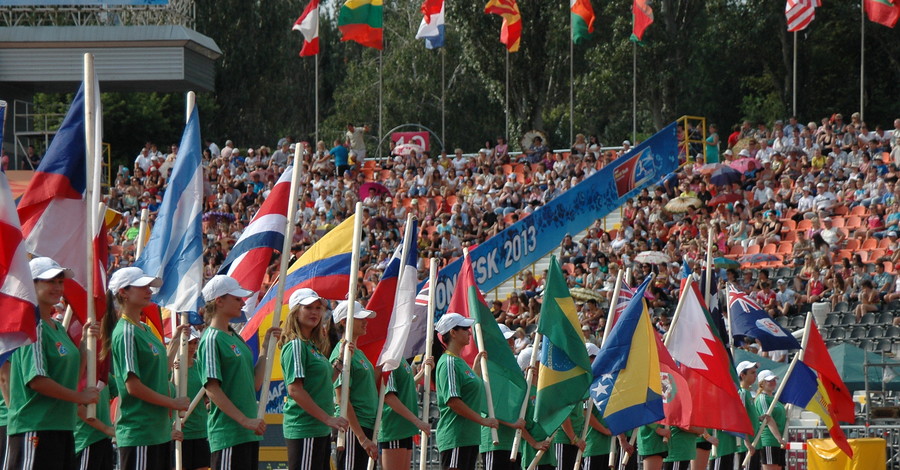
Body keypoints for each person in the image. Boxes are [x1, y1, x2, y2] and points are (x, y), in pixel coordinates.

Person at [5, 257, 100, 470]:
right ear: (31, 283)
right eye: (50, 281)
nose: (57, 287)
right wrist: (79, 397)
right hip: (35, 427)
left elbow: (69, 379)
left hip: (62, 426)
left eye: (60, 282)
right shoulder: (32, 324)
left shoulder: (57, 327)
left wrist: (85, 345)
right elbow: (37, 381)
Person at [106, 267, 189, 470]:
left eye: (149, 286)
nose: (149, 290)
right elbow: (133, 386)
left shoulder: (144, 329)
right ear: (123, 292)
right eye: (142, 286)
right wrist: (172, 403)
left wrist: (175, 343)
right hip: (139, 432)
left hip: (157, 432)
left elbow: (160, 372)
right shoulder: (125, 332)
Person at [199, 274, 279, 470]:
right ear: (219, 301)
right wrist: (245, 421)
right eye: (236, 298)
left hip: (248, 432)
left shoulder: (235, 337)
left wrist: (265, 349)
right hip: (229, 434)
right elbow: (212, 389)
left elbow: (254, 384)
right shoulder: (211, 339)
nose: (242, 302)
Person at [280, 288, 349, 470]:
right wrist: (328, 418)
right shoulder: (296, 345)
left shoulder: (311, 346)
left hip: (318, 429)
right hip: (305, 428)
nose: (315, 312)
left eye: (318, 308)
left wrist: (340, 360)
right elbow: (294, 389)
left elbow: (326, 381)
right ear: (296, 311)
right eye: (309, 307)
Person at [435, 313, 498, 470]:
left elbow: (467, 390)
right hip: (456, 436)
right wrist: (483, 421)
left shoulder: (458, 361)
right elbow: (453, 401)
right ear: (453, 332)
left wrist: (475, 368)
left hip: (468, 437)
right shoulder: (449, 362)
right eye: (465, 328)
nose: (469, 332)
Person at [329, 301, 379, 470]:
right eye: (360, 318)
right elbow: (342, 399)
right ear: (344, 321)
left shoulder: (359, 353)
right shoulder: (341, 354)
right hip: (353, 429)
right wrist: (361, 437)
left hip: (367, 426)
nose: (365, 321)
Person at [379, 355, 432, 470]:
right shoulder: (390, 359)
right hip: (394, 429)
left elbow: (405, 386)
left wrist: (422, 372)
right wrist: (417, 422)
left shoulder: (401, 358)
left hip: (405, 429)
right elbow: (388, 396)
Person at [175, 327, 210, 470]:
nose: (192, 347)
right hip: (180, 432)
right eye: (189, 343)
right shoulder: (173, 369)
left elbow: (208, 395)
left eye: (195, 343)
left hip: (200, 431)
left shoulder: (200, 367)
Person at [755, 370, 787, 470]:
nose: (773, 382)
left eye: (774, 380)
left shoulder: (774, 399)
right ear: (762, 383)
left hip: (778, 441)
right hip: (769, 440)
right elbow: (768, 418)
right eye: (770, 380)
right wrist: (778, 438)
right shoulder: (762, 398)